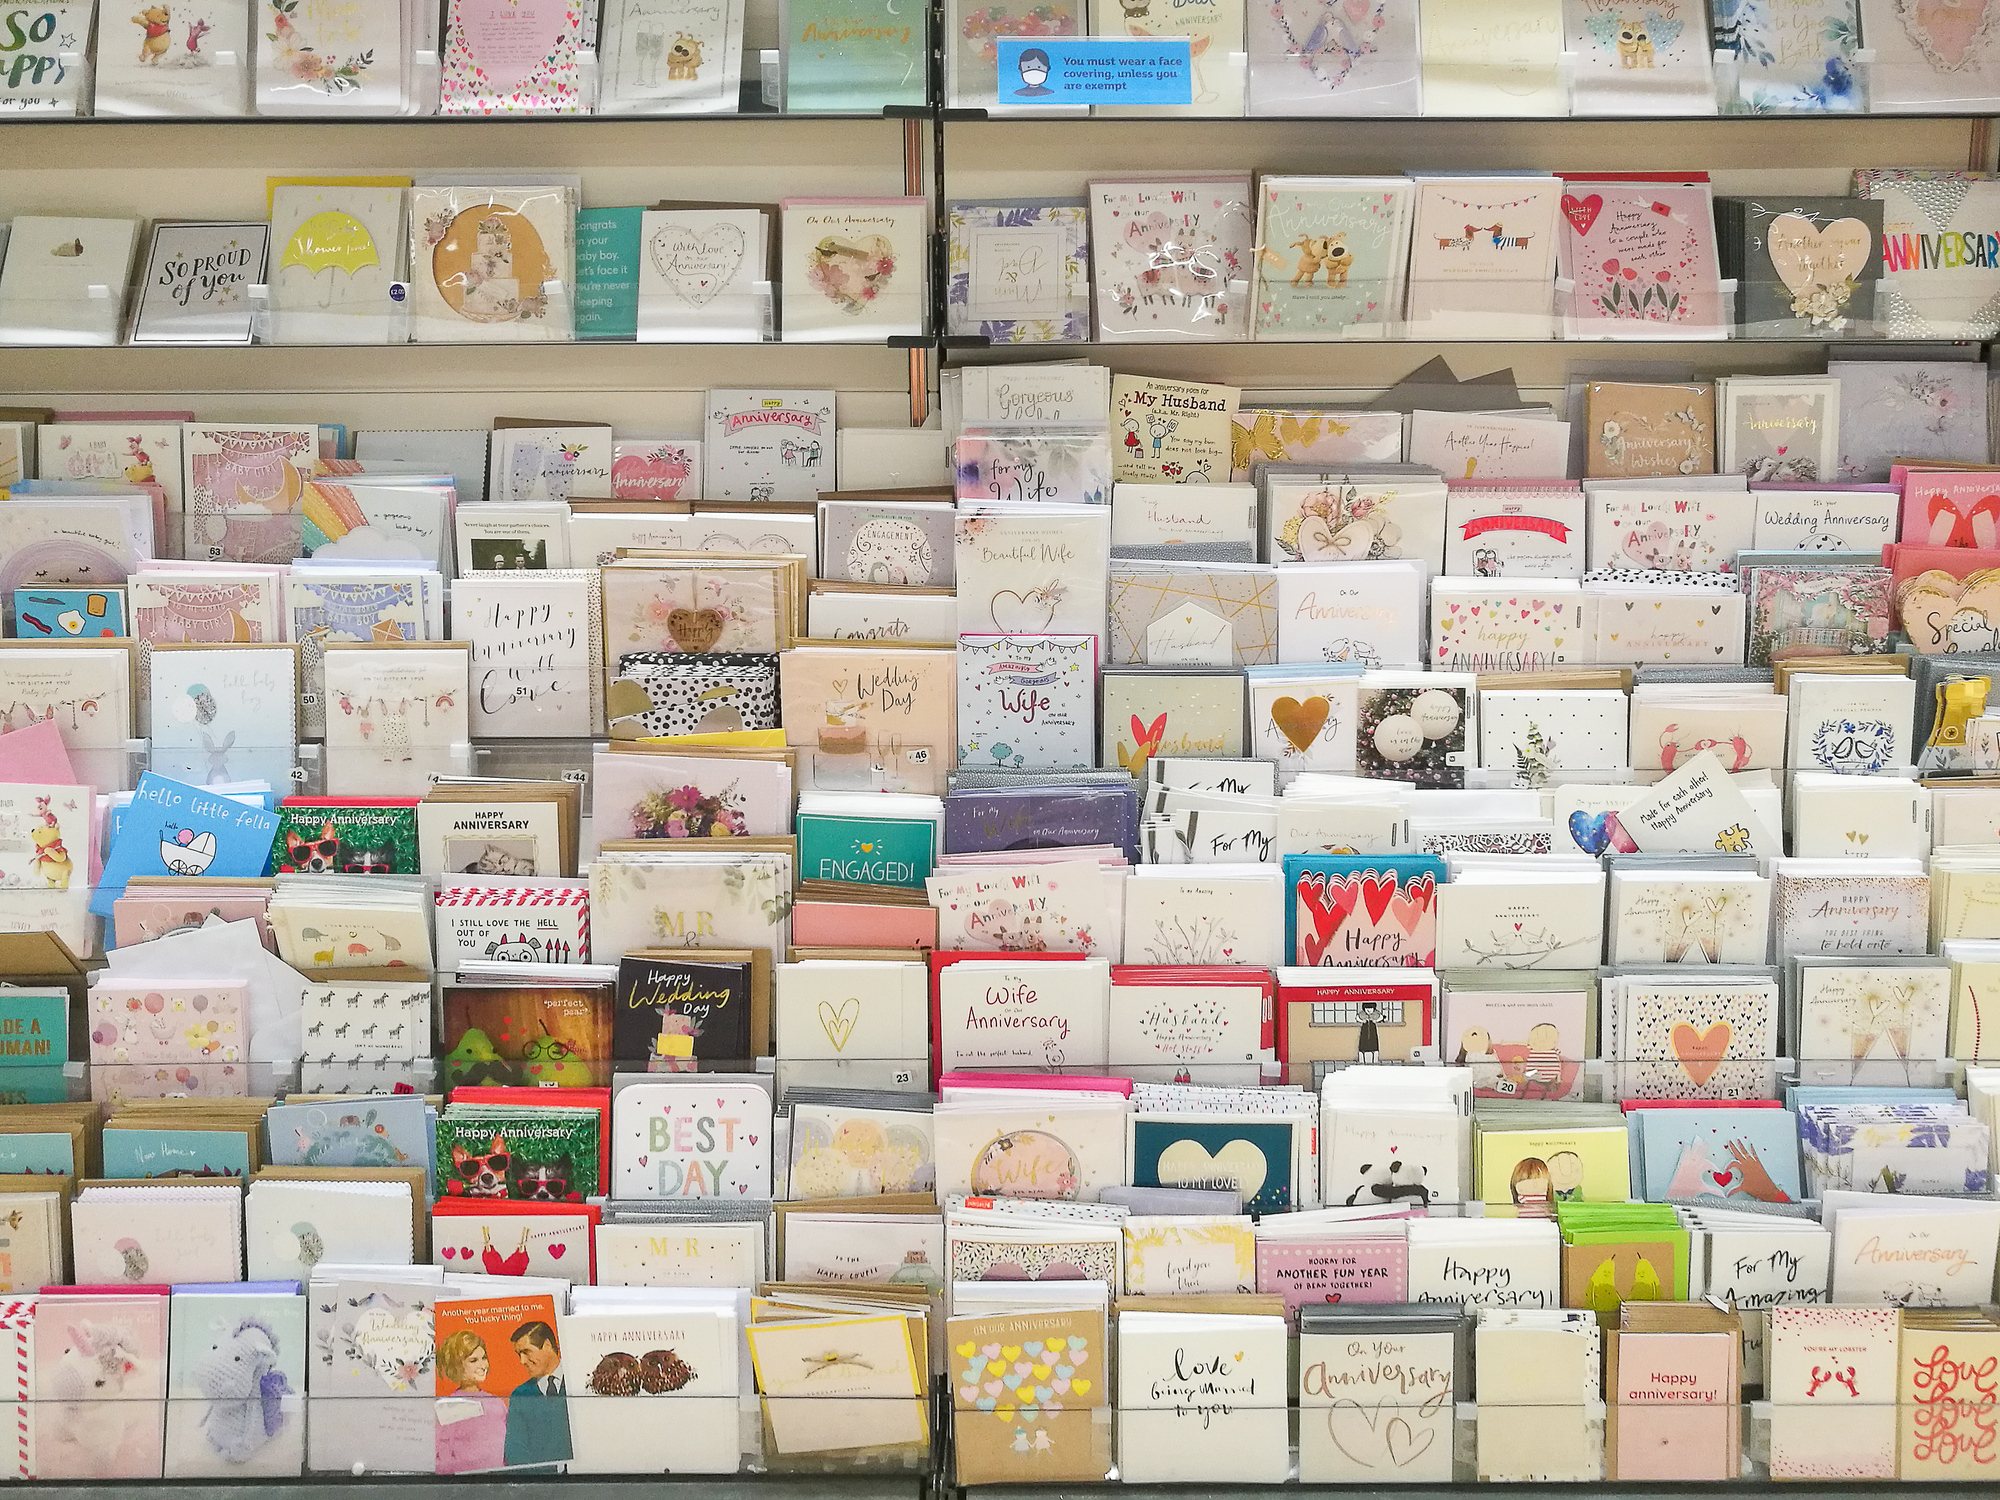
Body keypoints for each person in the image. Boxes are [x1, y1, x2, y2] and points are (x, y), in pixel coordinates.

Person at [434, 1331, 507, 1475]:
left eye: (484, 1358)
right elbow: (440, 1460)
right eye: (473, 1361)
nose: (483, 1365)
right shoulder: (447, 1406)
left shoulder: (497, 1404)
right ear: (456, 1366)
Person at [502, 1321, 572, 1470]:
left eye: (526, 1352)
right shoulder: (520, 1395)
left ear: (547, 1346)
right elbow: (515, 1451)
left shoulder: (578, 1381)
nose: (522, 1361)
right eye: (519, 1354)